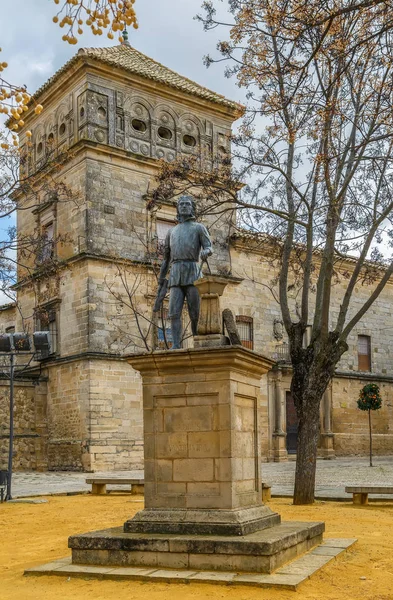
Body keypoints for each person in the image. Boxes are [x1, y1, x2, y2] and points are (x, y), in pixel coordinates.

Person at [156, 195, 212, 349]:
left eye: (188, 204)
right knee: (173, 312)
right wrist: (161, 280)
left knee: (195, 313)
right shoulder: (171, 232)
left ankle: (197, 343)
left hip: (193, 271)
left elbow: (208, 246)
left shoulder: (199, 228)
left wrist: (206, 252)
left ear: (192, 207)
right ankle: (175, 345)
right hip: (175, 273)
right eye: (181, 204)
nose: (184, 206)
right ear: (178, 208)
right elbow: (166, 259)